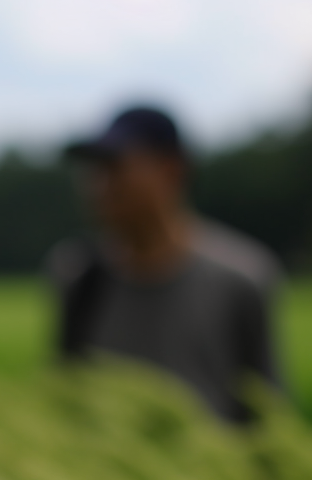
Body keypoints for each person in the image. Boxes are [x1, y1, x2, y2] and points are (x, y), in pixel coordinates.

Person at [48, 105, 282, 423]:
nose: (98, 184)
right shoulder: (77, 274)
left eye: (114, 167)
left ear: (172, 169)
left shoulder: (240, 278)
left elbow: (268, 415)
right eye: (92, 169)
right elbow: (63, 396)